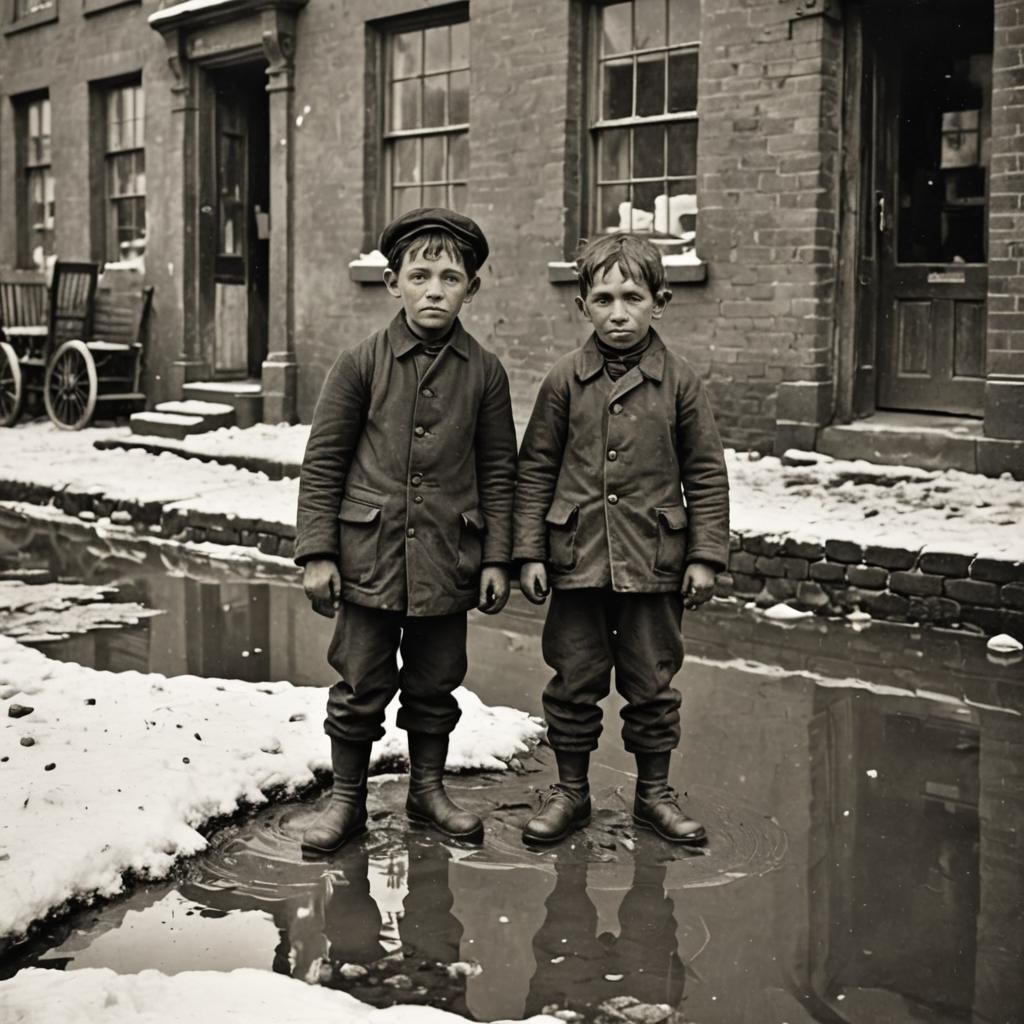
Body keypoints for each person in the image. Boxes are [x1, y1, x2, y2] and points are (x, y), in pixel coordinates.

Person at [295, 208, 517, 854]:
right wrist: (317, 552)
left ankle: (427, 790)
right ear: (393, 282)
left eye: (451, 277)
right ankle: (347, 802)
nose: (434, 289)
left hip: (448, 560)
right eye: (419, 275)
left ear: (471, 290)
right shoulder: (360, 364)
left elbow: (500, 470)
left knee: (435, 682)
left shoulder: (486, 374)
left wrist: (497, 559)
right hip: (369, 558)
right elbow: (324, 462)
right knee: (360, 683)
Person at [513, 233, 729, 846]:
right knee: (573, 680)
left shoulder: (680, 382)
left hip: (654, 562)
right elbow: (535, 470)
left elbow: (706, 472)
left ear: (659, 302)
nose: (618, 312)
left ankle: (653, 795)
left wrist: (705, 556)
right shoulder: (563, 381)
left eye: (632, 297)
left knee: (652, 683)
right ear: (583, 304)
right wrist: (529, 550)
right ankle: (572, 793)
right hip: (576, 561)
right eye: (603, 298)